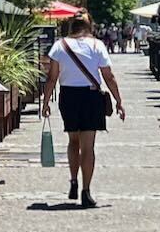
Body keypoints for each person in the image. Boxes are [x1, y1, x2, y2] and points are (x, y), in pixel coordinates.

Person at [39, 13, 124, 207]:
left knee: (73, 141)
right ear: (89, 27)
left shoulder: (60, 46)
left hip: (68, 96)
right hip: (91, 97)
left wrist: (45, 102)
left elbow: (51, 78)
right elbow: (108, 76)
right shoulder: (97, 45)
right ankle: (86, 191)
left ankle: (73, 179)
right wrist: (119, 101)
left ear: (71, 27)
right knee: (88, 147)